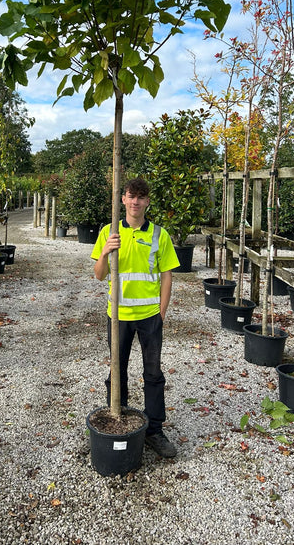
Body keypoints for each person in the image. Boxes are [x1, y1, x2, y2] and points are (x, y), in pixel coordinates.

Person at [91, 177, 180, 458]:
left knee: (153, 374)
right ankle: (116, 416)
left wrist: (161, 313)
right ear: (123, 200)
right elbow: (99, 274)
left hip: (150, 316)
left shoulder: (159, 235)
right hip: (117, 316)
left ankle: (154, 429)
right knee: (117, 370)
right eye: (131, 196)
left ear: (147, 202)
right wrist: (105, 252)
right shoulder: (109, 231)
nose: (135, 202)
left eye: (141, 197)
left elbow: (167, 277)